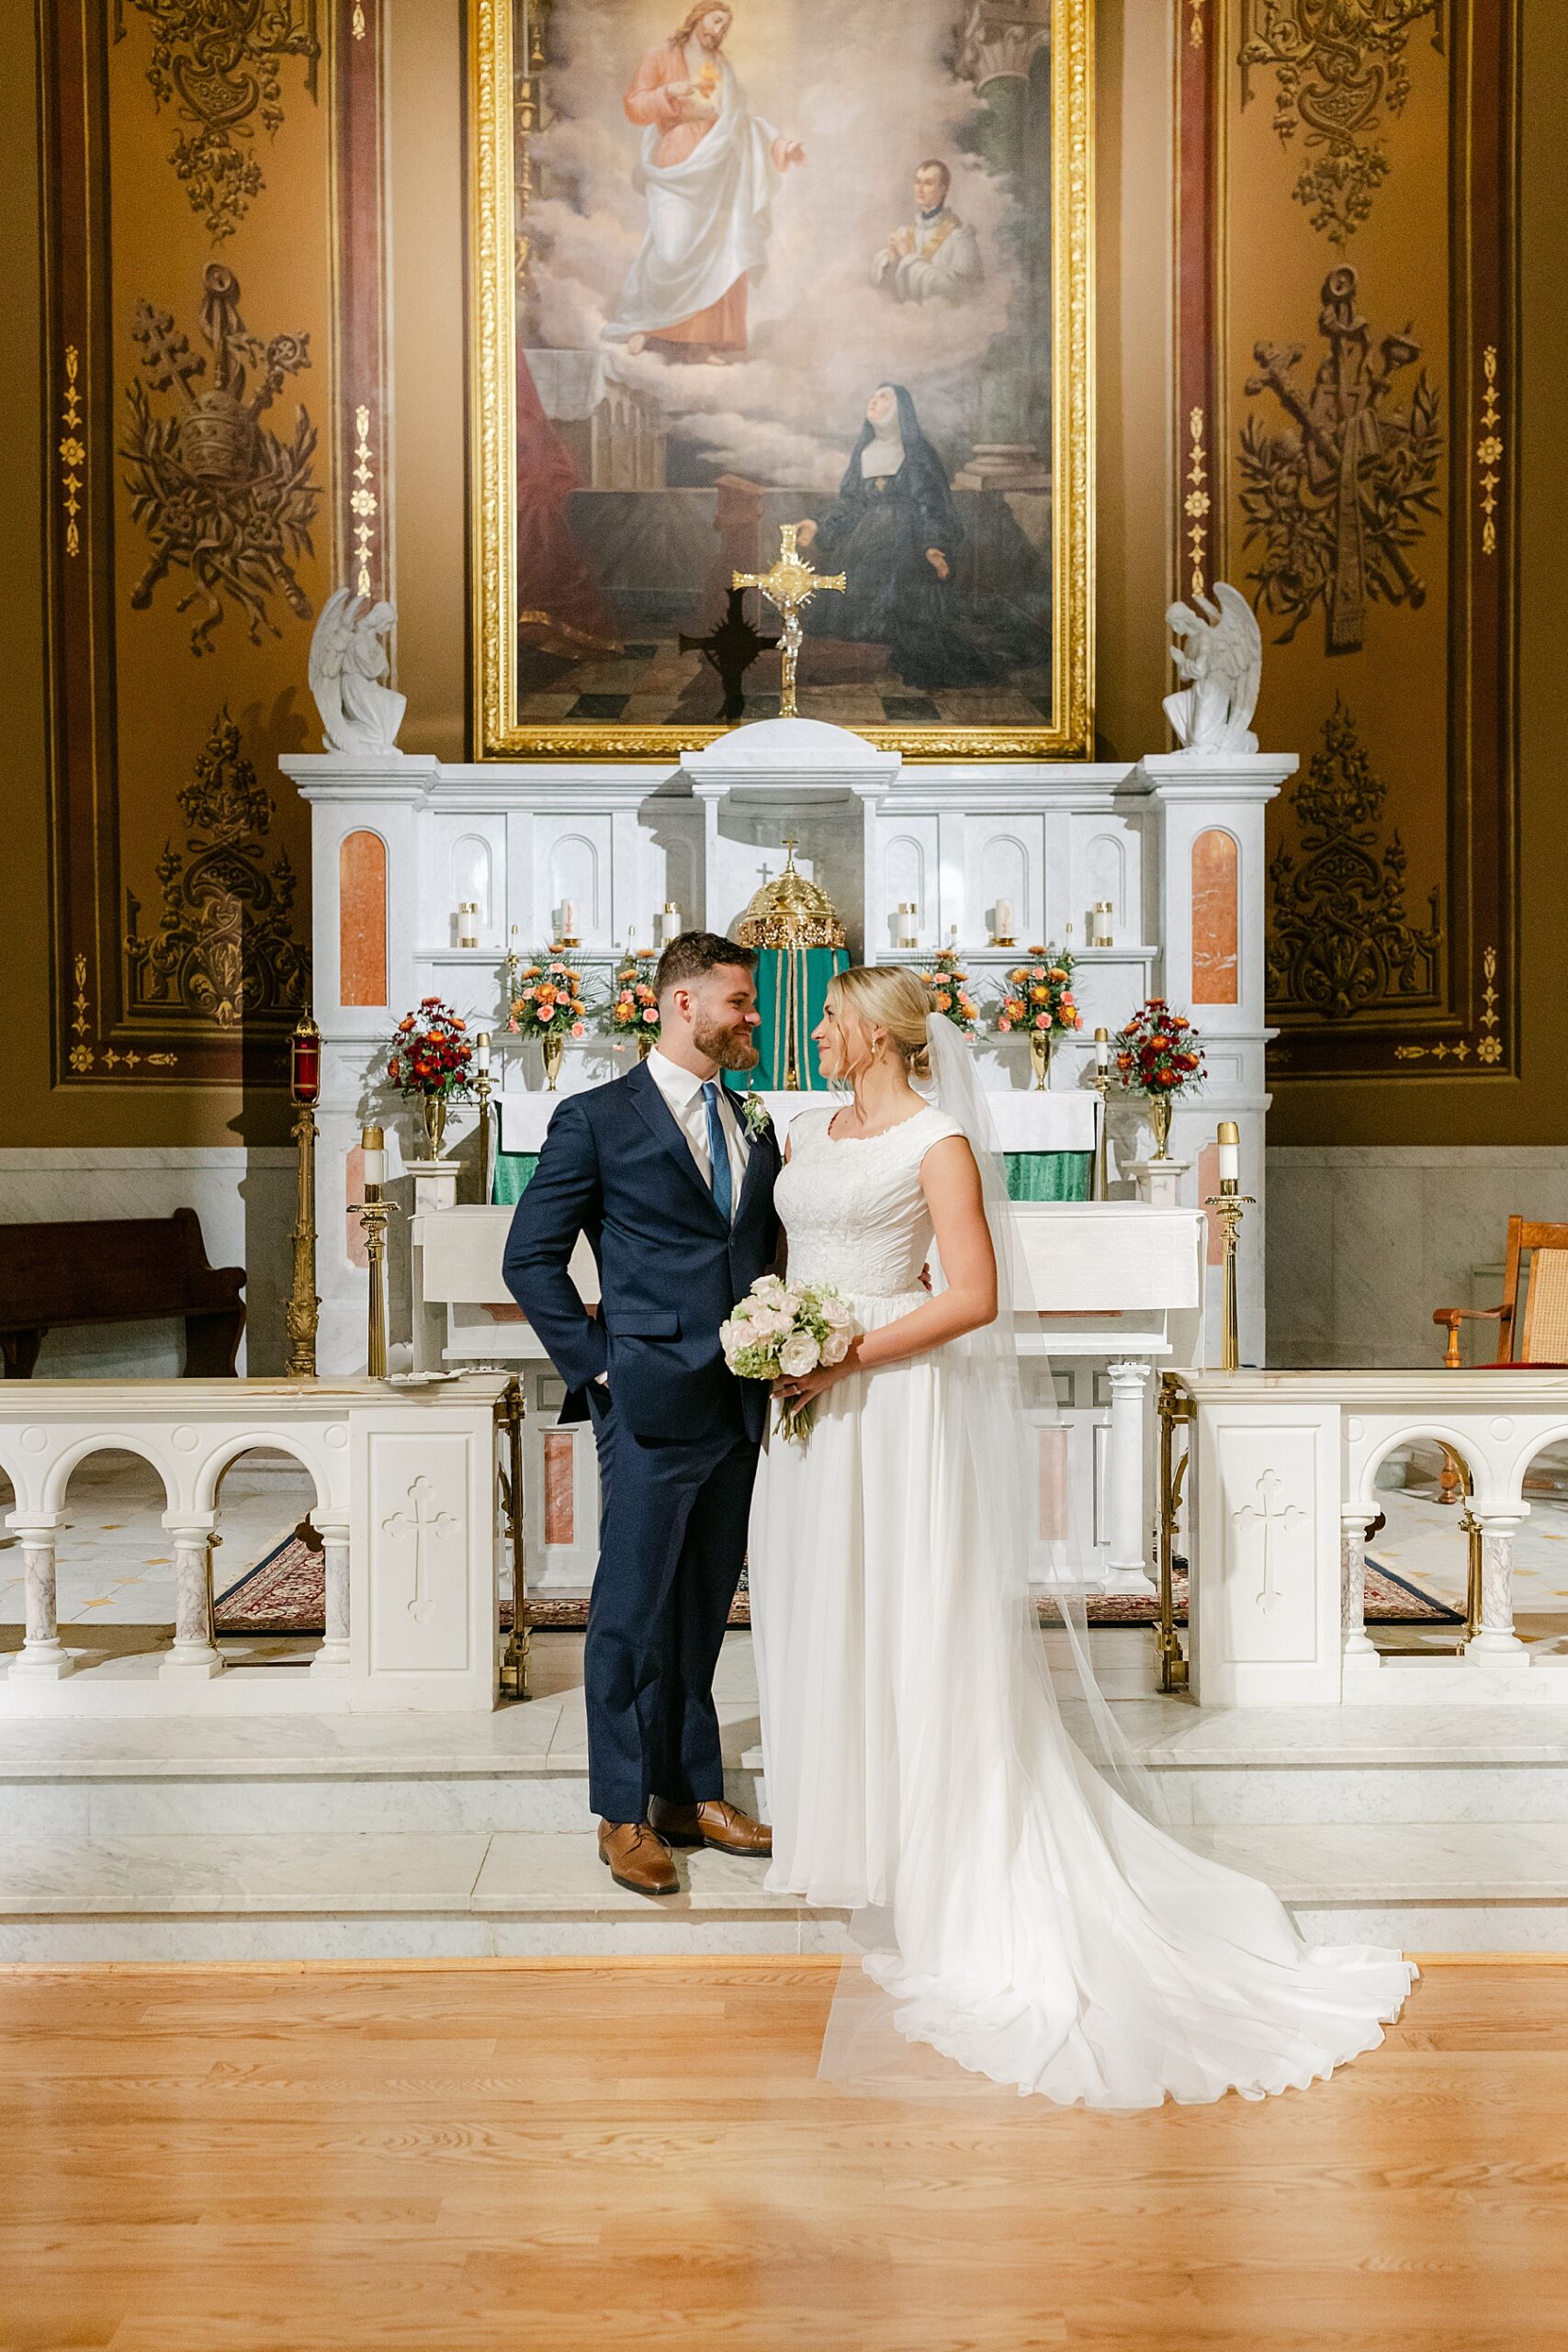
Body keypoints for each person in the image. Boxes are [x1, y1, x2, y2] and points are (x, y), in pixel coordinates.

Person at [748, 965, 1416, 2107]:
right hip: (808, 1406)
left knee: (909, 1614)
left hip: (889, 1401)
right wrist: (779, 1340)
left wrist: (844, 1352)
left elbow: (972, 1295)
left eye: (830, 1019)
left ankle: (931, 1836)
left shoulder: (940, 1138)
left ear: (877, 1034)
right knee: (823, 1607)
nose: (813, 1031)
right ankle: (843, 1826)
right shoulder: (806, 1128)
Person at [503, 933, 781, 1897]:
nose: (752, 1018)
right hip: (649, 1399)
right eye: (740, 1002)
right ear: (681, 1003)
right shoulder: (596, 1119)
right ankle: (621, 1813)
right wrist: (600, 1369)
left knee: (703, 1611)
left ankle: (685, 1789)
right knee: (628, 1614)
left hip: (739, 1399)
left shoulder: (752, 1119)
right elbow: (528, 1257)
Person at [795, 384, 1037, 691]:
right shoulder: (864, 452)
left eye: (884, 397)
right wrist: (818, 524)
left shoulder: (918, 453)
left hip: (907, 546)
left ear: (900, 410)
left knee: (913, 630)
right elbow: (852, 503)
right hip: (862, 548)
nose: (874, 400)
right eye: (873, 395)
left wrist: (933, 546)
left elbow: (930, 503)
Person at [604, 4, 806, 365]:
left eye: (726, 26)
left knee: (717, 250)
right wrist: (669, 92)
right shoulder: (661, 56)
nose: (720, 30)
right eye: (717, 21)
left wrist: (781, 146)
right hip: (678, 157)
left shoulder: (724, 68)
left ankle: (700, 341)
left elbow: (743, 121)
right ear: (698, 18)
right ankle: (645, 324)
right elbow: (634, 105)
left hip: (719, 166)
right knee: (671, 247)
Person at [872, 160, 982, 306]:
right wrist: (891, 263)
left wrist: (908, 257)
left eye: (928, 183)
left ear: (943, 190)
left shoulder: (960, 237)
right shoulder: (903, 233)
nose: (920, 189)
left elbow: (962, 291)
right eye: (917, 182)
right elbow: (886, 293)